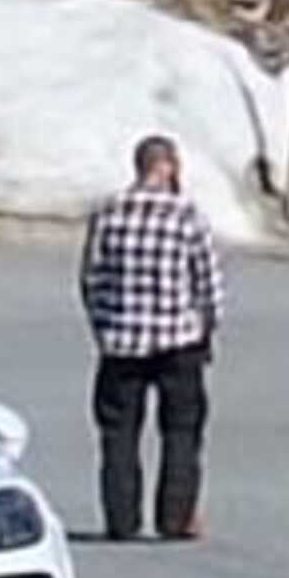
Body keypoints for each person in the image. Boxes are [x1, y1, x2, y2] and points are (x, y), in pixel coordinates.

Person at [75, 134, 224, 541]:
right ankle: (176, 518)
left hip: (121, 341)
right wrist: (208, 329)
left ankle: (121, 519)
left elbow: (91, 278)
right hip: (178, 339)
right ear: (169, 166)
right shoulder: (186, 215)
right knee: (181, 431)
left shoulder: (108, 212)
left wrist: (103, 325)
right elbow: (208, 284)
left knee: (118, 432)